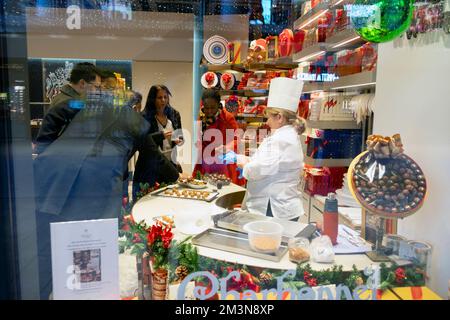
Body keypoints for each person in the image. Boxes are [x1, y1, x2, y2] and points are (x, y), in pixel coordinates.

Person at [33, 90, 180, 299]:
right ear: (134, 106)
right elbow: (154, 156)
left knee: (45, 252)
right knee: (88, 256)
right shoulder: (134, 120)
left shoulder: (91, 106)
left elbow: (56, 112)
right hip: (93, 191)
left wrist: (46, 147)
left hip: (49, 176)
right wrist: (176, 177)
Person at [236, 77, 306, 220]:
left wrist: (244, 164)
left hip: (273, 208)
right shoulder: (287, 135)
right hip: (281, 206)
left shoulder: (281, 139)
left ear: (279, 117)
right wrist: (249, 159)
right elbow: (268, 162)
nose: (267, 122)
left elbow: (257, 170)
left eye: (269, 117)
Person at [35, 62, 102, 154]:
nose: (98, 92)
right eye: (96, 87)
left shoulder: (64, 98)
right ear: (82, 83)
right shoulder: (69, 103)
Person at [133, 85, 183, 195]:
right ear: (152, 99)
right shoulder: (144, 117)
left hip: (169, 165)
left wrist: (178, 140)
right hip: (150, 168)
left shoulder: (174, 114)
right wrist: (161, 135)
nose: (163, 100)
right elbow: (143, 144)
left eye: (166, 97)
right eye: (159, 98)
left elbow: (181, 137)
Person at [192, 89, 244, 185]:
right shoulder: (202, 118)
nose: (209, 111)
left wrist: (227, 147)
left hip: (225, 163)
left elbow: (237, 139)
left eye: (213, 107)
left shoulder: (227, 118)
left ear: (219, 105)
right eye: (206, 108)